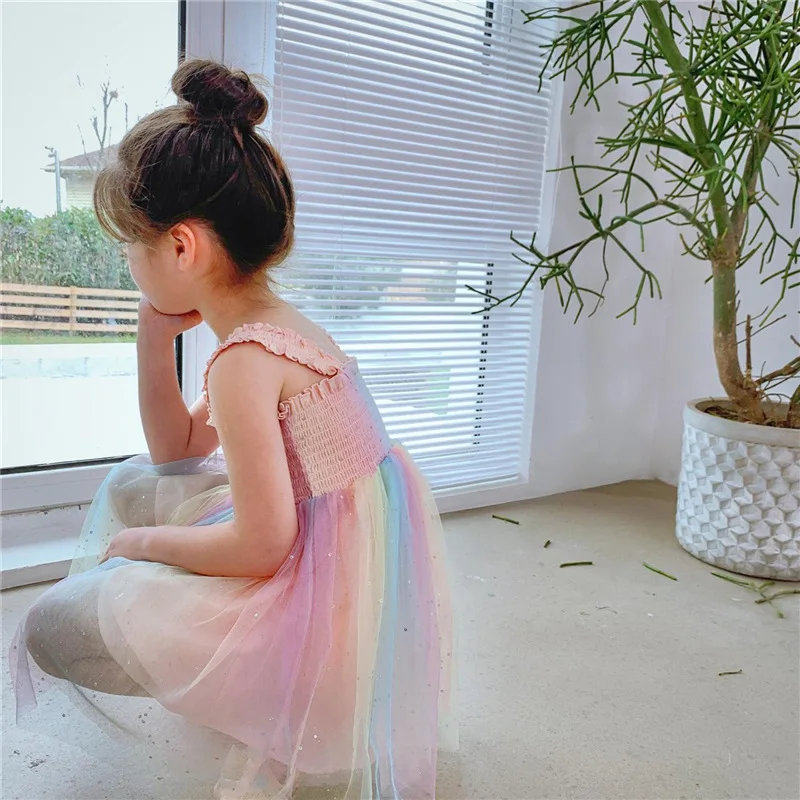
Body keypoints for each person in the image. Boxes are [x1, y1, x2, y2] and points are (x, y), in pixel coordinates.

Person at [11, 59, 454, 800]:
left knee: (48, 626)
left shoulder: (246, 362)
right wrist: (153, 338)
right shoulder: (276, 326)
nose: (127, 263)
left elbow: (261, 545)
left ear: (182, 247)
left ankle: (256, 691)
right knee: (136, 481)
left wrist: (145, 546)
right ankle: (229, 673)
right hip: (330, 538)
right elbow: (176, 452)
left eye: (130, 247)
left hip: (313, 588)